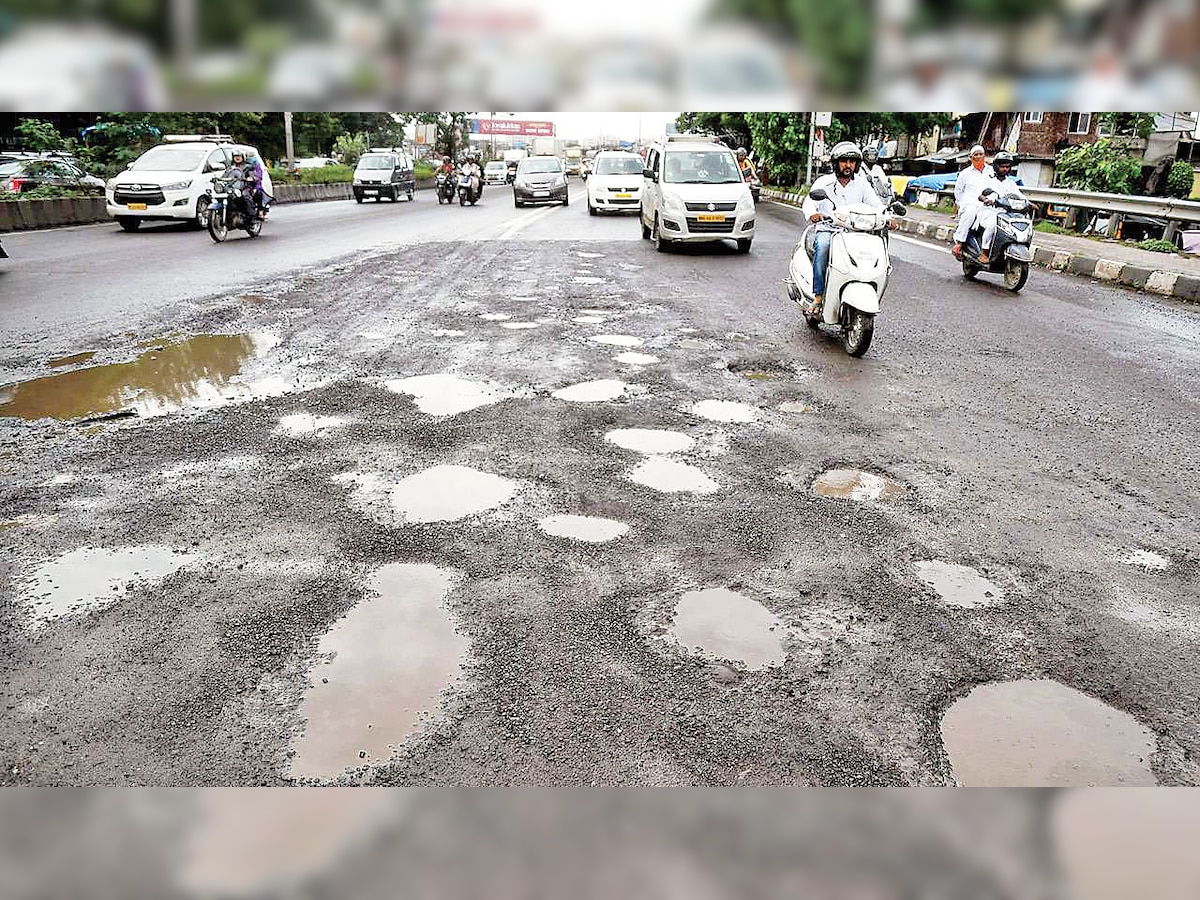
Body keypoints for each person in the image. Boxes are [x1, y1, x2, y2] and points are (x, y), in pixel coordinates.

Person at [800, 141, 887, 317]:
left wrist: (888, 218)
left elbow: (877, 205)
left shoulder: (862, 184)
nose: (848, 165)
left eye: (852, 162)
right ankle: (818, 297)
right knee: (823, 247)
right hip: (828, 229)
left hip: (855, 232)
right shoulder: (824, 182)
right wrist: (812, 214)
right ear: (836, 163)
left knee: (876, 250)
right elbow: (809, 202)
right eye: (844, 161)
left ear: (856, 165)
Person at [971, 151, 1025, 265]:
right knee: (992, 225)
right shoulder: (988, 180)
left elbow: (1020, 196)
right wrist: (985, 199)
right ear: (996, 166)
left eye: (1007, 166)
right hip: (988, 212)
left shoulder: (1011, 184)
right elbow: (980, 194)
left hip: (1005, 213)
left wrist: (1031, 204)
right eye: (1002, 166)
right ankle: (984, 253)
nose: (1005, 169)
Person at [951, 145, 993, 260]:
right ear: (971, 157)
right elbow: (958, 192)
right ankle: (959, 243)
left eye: (980, 154)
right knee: (971, 212)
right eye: (976, 154)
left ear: (984, 156)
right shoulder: (965, 173)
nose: (978, 156)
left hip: (987, 204)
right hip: (970, 203)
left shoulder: (991, 171)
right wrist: (962, 204)